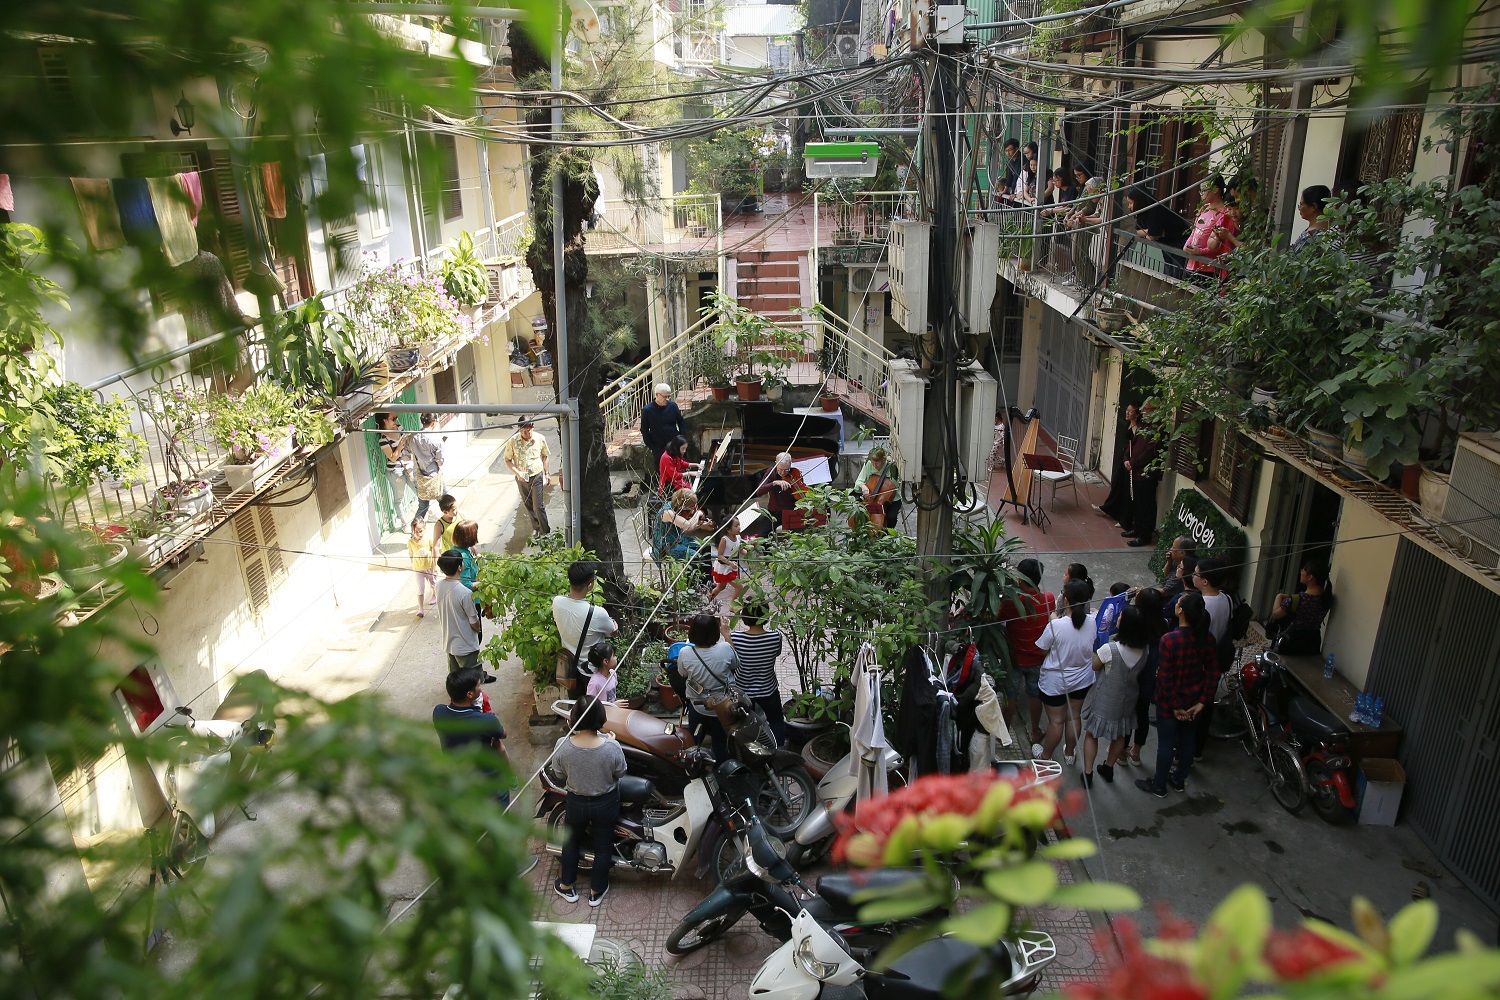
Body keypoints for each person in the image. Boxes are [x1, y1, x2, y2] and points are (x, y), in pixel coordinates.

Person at [1136, 592, 1217, 797]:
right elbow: (1213, 672)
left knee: (1166, 744)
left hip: (1169, 704)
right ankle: (1179, 780)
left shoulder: (1170, 640)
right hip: (1193, 703)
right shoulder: (1207, 638)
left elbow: (1165, 677)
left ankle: (1159, 785)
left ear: (1180, 610)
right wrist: (1202, 702)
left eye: (1178, 602)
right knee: (1188, 741)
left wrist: (1175, 706)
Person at [552, 696, 627, 907]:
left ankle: (567, 886)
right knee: (603, 846)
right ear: (601, 718)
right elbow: (621, 772)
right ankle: (596, 891)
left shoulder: (562, 745)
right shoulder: (612, 746)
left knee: (570, 842)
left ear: (574, 716)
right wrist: (611, 742)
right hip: (606, 803)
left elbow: (559, 775)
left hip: (576, 803)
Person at [1079, 606, 1151, 787]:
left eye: (1120, 618)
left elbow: (1095, 666)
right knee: (1120, 735)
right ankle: (1108, 767)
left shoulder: (1110, 649)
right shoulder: (1144, 649)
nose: (1118, 619)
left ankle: (1088, 773)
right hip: (1128, 701)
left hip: (1105, 700)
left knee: (1092, 734)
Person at [1035, 579, 1098, 766]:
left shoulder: (1056, 626)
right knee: (1074, 716)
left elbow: (1042, 650)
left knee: (1056, 721)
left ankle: (1045, 757)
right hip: (1082, 679)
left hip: (1055, 682)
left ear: (1066, 600)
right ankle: (1069, 753)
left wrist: (1054, 620)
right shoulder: (1092, 622)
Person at [432, 666, 510, 806]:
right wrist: (480, 711)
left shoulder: (439, 712)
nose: (481, 689)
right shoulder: (486, 721)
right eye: (478, 686)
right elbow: (503, 733)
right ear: (469, 694)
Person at [1002, 558, 1056, 750]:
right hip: (1038, 659)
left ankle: (1004, 734)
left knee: (1010, 696)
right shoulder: (1048, 599)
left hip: (1015, 658)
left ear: (1020, 579)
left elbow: (997, 617)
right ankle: (1034, 731)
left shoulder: (1011, 602)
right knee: (1035, 695)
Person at [553, 561, 619, 693]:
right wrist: (613, 623)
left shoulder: (557, 602)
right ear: (590, 585)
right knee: (596, 704)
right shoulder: (597, 613)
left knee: (578, 703)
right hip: (592, 672)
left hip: (570, 669)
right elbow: (613, 632)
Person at [682, 612, 738, 760]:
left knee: (694, 741)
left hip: (698, 705)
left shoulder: (685, 652)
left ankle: (695, 764)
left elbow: (682, 673)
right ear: (715, 631)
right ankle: (720, 767)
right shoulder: (725, 648)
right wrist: (727, 635)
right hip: (722, 707)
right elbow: (736, 664)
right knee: (721, 744)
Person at [730, 603, 785, 746]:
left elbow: (732, 659)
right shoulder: (775, 637)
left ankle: (750, 749)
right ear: (766, 616)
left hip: (743, 691)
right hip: (768, 689)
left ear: (744, 616)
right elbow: (777, 653)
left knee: (745, 723)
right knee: (776, 721)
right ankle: (779, 749)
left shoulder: (735, 638)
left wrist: (725, 634)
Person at [1124, 586, 1166, 767]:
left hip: (1132, 676)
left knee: (1127, 715)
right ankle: (1136, 752)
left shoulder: (1136, 623)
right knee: (1142, 715)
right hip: (1149, 679)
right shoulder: (1163, 624)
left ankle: (1121, 752)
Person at [1270, 558, 1336, 655]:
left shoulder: (1296, 600)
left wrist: (1279, 596)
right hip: (1312, 645)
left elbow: (1275, 614)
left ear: (1310, 577)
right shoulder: (1326, 599)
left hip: (1290, 645)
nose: (1301, 572)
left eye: (1303, 570)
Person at [1123, 187, 1190, 278]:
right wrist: (1152, 230)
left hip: (1180, 242)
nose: (1129, 206)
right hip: (1167, 243)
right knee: (1169, 272)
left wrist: (1152, 232)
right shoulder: (1142, 212)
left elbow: (1152, 236)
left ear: (1139, 201)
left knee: (1177, 274)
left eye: (1131, 203)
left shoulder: (1155, 209)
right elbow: (1139, 231)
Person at [1183, 175, 1238, 284]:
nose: (1201, 193)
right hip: (1192, 264)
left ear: (1215, 190)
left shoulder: (1225, 212)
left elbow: (1222, 243)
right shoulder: (1204, 209)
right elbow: (1194, 231)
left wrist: (1200, 251)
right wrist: (1186, 245)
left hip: (1209, 268)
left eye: (1204, 190)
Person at [437, 549, 484, 674]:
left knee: (457, 678)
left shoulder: (439, 585)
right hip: (466, 645)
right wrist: (478, 629)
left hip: (450, 643)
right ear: (459, 567)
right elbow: (474, 621)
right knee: (472, 679)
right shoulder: (465, 593)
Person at [1094, 402, 1141, 527]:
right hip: (1123, 459)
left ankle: (1124, 519)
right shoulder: (1127, 424)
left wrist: (1129, 461)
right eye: (1127, 410)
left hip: (1130, 462)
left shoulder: (1138, 429)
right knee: (1117, 484)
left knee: (1127, 490)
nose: (1127, 413)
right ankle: (1109, 508)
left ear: (1137, 414)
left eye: (1130, 411)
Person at [503, 418, 552, 537]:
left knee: (538, 506)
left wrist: (547, 473)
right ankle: (537, 528)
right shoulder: (512, 441)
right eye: (522, 431)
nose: (525, 434)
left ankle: (545, 532)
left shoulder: (539, 438)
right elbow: (507, 460)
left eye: (527, 431)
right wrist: (517, 473)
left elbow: (545, 456)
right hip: (521, 478)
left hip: (536, 475)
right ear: (519, 429)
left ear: (532, 427)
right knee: (528, 505)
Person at [1122, 405, 1161, 547]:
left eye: (1148, 410)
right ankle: (1137, 528)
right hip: (1135, 472)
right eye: (1144, 410)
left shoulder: (1157, 429)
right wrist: (1126, 458)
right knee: (1137, 503)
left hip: (1147, 475)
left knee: (1146, 505)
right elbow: (1132, 444)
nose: (1144, 412)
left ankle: (1145, 535)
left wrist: (1133, 462)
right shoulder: (1143, 426)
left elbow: (1149, 452)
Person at [1065, 178, 1105, 288]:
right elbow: (1097, 214)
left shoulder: (1106, 200)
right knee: (1077, 256)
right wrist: (1082, 217)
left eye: (1091, 193)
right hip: (1095, 230)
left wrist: (1085, 219)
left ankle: (1090, 283)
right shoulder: (1100, 200)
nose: (1089, 197)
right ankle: (1087, 282)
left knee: (1080, 256)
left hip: (1107, 234)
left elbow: (1102, 219)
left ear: (1098, 191)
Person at [657, 488, 714, 562]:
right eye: (691, 506)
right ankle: (696, 569)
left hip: (677, 539)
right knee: (697, 557)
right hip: (666, 546)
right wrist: (698, 513)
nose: (692, 509)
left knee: (705, 546)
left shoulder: (677, 507)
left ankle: (707, 570)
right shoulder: (668, 512)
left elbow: (684, 529)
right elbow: (688, 526)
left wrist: (701, 526)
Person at [408, 412, 445, 520]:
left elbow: (407, 454)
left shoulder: (412, 437)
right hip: (434, 476)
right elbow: (440, 462)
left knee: (423, 506)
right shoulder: (437, 439)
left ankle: (415, 528)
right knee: (446, 502)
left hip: (419, 476)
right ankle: (452, 524)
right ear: (433, 422)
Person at [376, 412, 412, 517]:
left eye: (396, 418)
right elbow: (392, 458)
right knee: (399, 497)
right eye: (393, 419)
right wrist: (401, 443)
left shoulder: (399, 428)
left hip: (407, 465)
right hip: (395, 470)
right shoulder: (383, 439)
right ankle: (403, 521)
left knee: (418, 490)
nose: (396, 421)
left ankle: (429, 513)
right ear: (385, 420)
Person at [640, 383, 687, 463]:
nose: (667, 399)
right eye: (665, 397)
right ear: (657, 395)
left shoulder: (673, 406)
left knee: (679, 467)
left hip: (674, 444)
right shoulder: (647, 410)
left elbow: (681, 422)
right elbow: (644, 430)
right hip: (658, 447)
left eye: (669, 396)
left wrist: (681, 438)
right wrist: (652, 446)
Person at [751, 452, 799, 528]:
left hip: (790, 512)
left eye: (786, 470)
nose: (782, 473)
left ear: (790, 464)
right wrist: (774, 483)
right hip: (774, 512)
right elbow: (759, 491)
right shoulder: (771, 471)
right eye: (780, 469)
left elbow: (800, 494)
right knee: (762, 534)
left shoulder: (796, 473)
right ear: (776, 463)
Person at [855, 447, 901, 526]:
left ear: (883, 460)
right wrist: (863, 486)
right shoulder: (869, 464)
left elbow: (895, 485)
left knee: (891, 517)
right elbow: (858, 482)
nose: (874, 465)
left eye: (877, 463)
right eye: (872, 462)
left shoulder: (891, 466)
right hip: (870, 498)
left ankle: (887, 532)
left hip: (891, 500)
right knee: (857, 511)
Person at [1291, 185, 1342, 253]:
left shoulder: (1313, 237)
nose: (1300, 208)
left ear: (1313, 207)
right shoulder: (1331, 229)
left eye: (1301, 204)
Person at [709, 517, 743, 604]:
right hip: (724, 567)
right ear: (728, 529)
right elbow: (719, 555)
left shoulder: (739, 538)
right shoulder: (725, 539)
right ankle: (732, 607)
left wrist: (752, 550)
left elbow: (741, 550)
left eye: (739, 525)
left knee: (721, 587)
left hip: (731, 566)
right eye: (736, 526)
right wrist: (729, 563)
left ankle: (707, 600)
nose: (739, 527)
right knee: (739, 587)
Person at [407, 516, 436, 616]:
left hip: (429, 567)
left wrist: (435, 565)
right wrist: (411, 561)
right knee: (420, 589)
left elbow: (434, 550)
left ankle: (434, 594)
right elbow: (411, 552)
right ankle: (420, 608)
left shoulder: (429, 540)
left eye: (421, 531)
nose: (419, 534)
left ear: (425, 529)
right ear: (412, 531)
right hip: (418, 569)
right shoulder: (411, 542)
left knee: (433, 583)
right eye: (416, 532)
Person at [584, 640, 628, 706]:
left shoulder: (613, 673)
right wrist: (613, 705)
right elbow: (591, 707)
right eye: (613, 655)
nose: (616, 658)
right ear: (606, 661)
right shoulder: (594, 683)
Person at [1157, 537, 1194, 601]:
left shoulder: (1182, 569)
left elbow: (1164, 592)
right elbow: (1167, 575)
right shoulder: (1179, 562)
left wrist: (1142, 591)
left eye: (1173, 547)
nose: (1170, 549)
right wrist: (1169, 562)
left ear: (1182, 553)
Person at [452, 519, 480, 593]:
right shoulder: (464, 558)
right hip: (472, 597)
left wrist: (471, 545)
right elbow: (467, 585)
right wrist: (485, 582)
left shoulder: (454, 548)